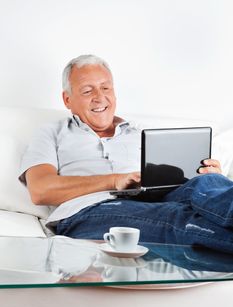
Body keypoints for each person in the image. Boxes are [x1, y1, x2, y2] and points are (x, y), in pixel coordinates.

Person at [19, 54, 233, 254]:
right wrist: (114, 181)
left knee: (207, 183)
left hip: (153, 200)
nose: (99, 97)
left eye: (105, 88)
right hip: (89, 212)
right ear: (67, 100)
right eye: (87, 91)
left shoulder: (140, 132)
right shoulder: (52, 133)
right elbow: (40, 190)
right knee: (174, 218)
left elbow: (184, 185)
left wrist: (207, 176)